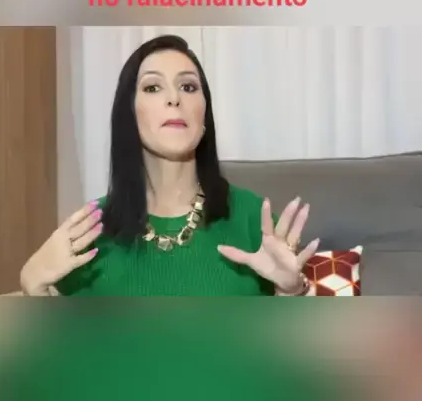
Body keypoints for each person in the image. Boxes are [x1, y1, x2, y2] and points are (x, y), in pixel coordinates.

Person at [20, 34, 320, 297]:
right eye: (153, 87)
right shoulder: (90, 232)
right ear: (129, 115)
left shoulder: (255, 221)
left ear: (204, 115)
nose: (174, 98)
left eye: (188, 87)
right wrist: (33, 287)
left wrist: (293, 291)